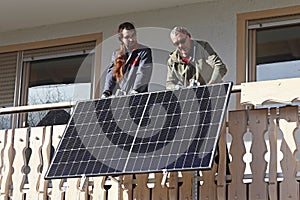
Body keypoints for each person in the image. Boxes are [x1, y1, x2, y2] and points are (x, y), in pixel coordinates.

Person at [102, 22, 153, 98]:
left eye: (133, 35)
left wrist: (136, 91)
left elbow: (143, 73)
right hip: (120, 99)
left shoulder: (144, 51)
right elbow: (111, 74)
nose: (131, 39)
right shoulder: (116, 54)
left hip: (137, 98)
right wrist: (107, 92)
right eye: (127, 37)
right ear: (121, 39)